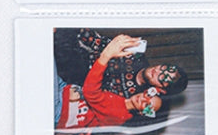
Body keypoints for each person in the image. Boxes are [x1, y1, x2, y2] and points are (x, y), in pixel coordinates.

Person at [56, 36, 165, 134]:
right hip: (65, 91)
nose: (143, 99)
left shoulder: (120, 114)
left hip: (61, 107)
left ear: (142, 113)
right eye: (149, 95)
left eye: (147, 106)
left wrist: (106, 56)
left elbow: (90, 92)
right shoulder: (124, 102)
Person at [54, 28, 187, 99]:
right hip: (72, 54)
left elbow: (91, 96)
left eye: (162, 78)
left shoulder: (134, 99)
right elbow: (98, 42)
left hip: (70, 83)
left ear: (161, 90)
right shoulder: (136, 55)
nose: (157, 71)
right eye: (163, 68)